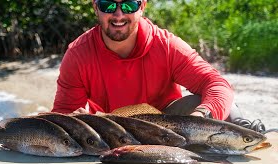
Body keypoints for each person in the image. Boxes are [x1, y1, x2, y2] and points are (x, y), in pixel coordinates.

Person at [52, 0, 265, 132]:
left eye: (128, 5)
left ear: (142, 6)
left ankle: (249, 134)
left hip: (169, 125)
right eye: (108, 5)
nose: (118, 14)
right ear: (95, 7)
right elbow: (62, 115)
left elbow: (217, 84)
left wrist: (199, 119)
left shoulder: (167, 46)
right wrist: (72, 119)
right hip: (114, 131)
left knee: (223, 108)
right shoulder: (78, 54)